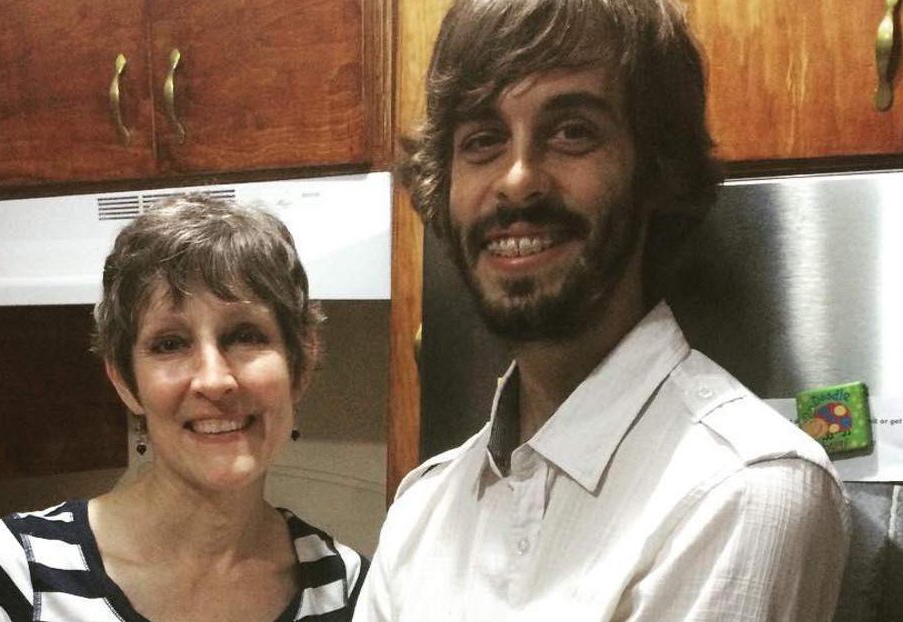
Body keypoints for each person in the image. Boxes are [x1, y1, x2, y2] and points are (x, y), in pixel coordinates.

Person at [354, 0, 848, 619]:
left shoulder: (742, 486)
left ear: (656, 167)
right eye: (482, 141)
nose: (517, 179)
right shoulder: (423, 508)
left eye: (572, 132)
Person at [0, 196, 368, 621]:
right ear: (124, 382)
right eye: (170, 344)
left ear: (300, 366)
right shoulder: (19, 575)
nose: (213, 380)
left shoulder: (348, 591)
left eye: (245, 335)